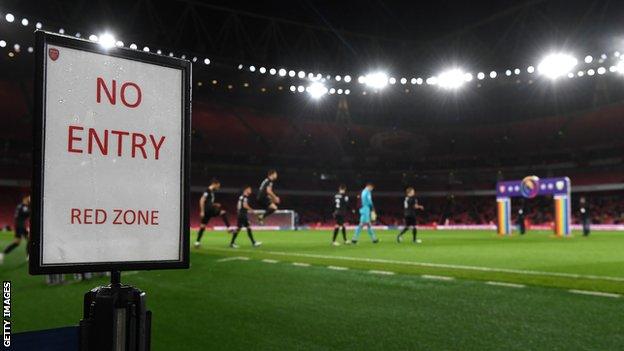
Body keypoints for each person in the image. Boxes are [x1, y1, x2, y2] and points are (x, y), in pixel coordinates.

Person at [195, 179, 232, 248]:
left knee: (202, 226)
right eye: (218, 186)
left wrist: (215, 204)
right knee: (223, 212)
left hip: (208, 210)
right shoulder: (207, 191)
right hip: (208, 210)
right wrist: (202, 211)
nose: (218, 187)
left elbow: (208, 202)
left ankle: (197, 242)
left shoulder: (211, 192)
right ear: (214, 184)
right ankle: (229, 228)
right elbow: (202, 200)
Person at [0, 195, 30, 264]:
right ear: (24, 199)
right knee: (24, 241)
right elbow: (27, 213)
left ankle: (28, 256)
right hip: (20, 226)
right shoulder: (23, 206)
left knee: (19, 242)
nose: (28, 200)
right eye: (27, 198)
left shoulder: (21, 206)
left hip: (20, 225)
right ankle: (28, 256)